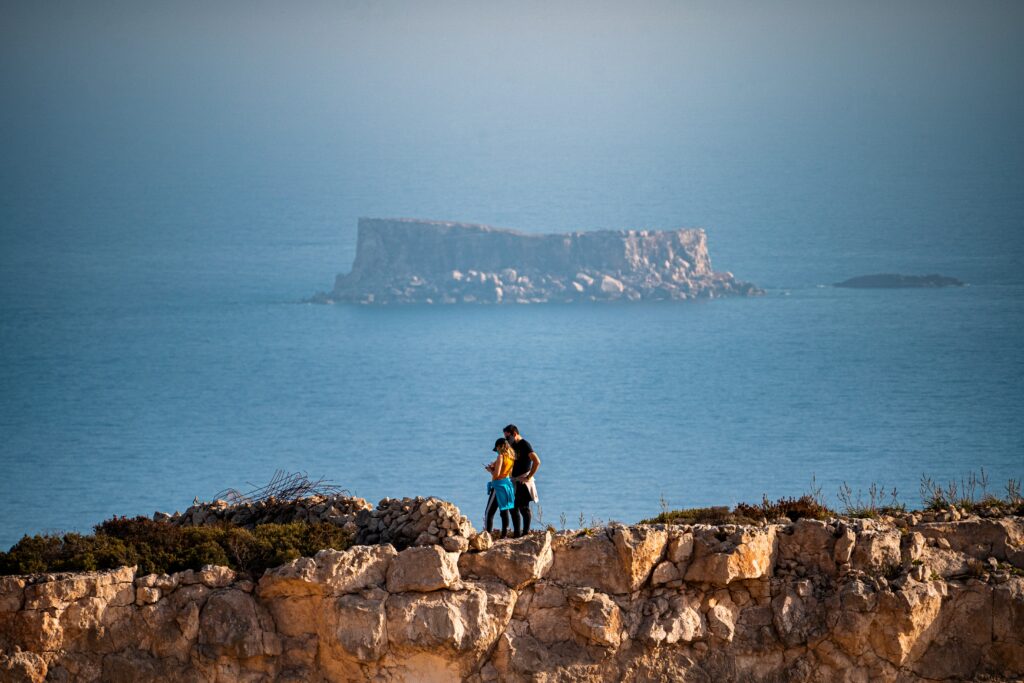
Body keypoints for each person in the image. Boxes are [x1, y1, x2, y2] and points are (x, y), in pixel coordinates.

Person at [503, 424, 540, 537]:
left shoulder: (525, 444)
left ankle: (526, 532)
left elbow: (537, 461)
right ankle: (517, 534)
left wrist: (528, 477)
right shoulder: (512, 446)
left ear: (515, 434)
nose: (507, 440)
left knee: (524, 508)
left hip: (523, 481)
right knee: (512, 508)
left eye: (508, 437)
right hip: (513, 480)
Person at [484, 437, 516, 538]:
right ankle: (504, 535)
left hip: (498, 486)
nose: (496, 451)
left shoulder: (501, 457)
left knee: (489, 512)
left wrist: (490, 470)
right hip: (507, 484)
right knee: (504, 510)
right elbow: (507, 472)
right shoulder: (511, 456)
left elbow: (497, 474)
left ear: (499, 447)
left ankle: (487, 536)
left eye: (497, 449)